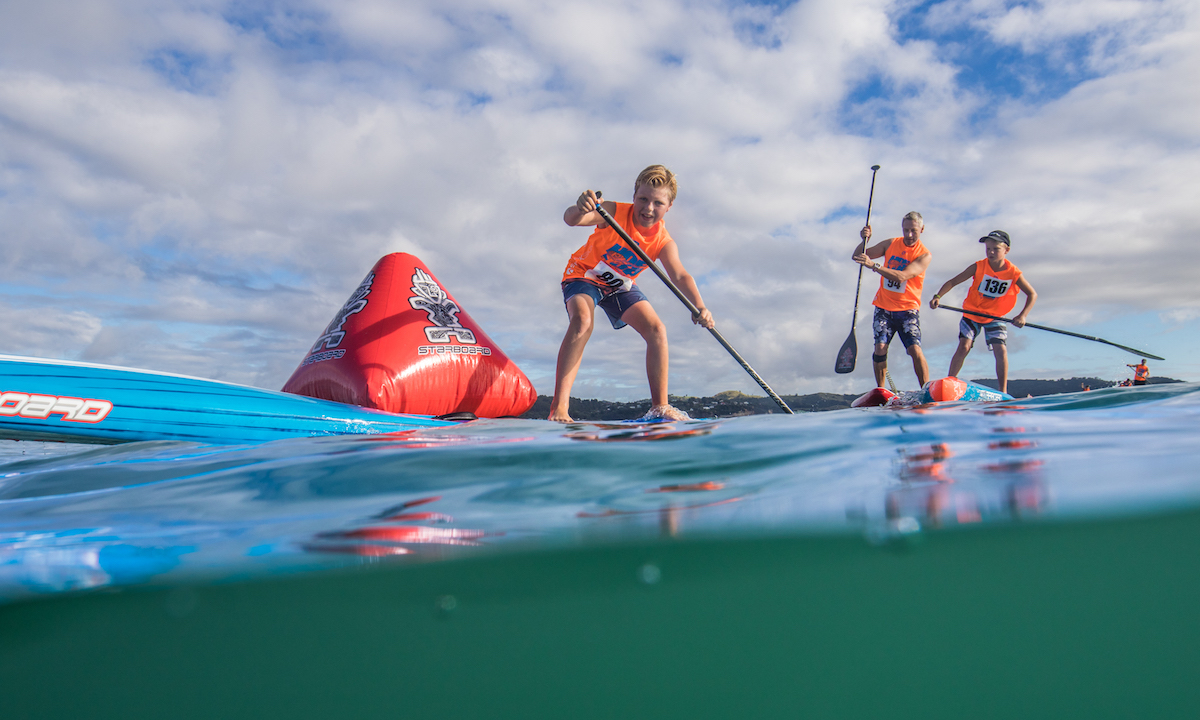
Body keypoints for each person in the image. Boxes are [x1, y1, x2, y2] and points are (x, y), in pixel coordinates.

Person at [548, 165, 714, 423]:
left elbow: (680, 276)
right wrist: (581, 207)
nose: (648, 208)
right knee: (582, 321)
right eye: (643, 199)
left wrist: (700, 306)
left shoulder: (663, 241)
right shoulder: (613, 212)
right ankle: (559, 409)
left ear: (669, 207)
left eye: (658, 203)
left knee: (657, 329)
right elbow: (572, 220)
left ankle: (660, 408)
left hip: (618, 285)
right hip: (584, 274)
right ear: (634, 195)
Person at [929, 230, 1037, 395]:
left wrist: (1022, 316)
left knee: (1000, 350)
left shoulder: (1013, 272)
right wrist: (938, 296)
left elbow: (1032, 294)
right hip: (971, 313)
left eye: (996, 249)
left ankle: (1003, 391)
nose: (991, 252)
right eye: (988, 249)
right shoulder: (979, 266)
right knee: (964, 346)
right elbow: (953, 281)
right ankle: (950, 383)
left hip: (995, 316)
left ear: (1006, 250)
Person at [854, 211, 932, 388]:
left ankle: (926, 388)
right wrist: (864, 240)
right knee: (880, 348)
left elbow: (902, 276)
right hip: (884, 307)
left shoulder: (924, 255)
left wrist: (874, 265)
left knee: (914, 349)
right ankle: (881, 390)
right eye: (906, 230)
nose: (909, 235)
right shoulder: (891, 243)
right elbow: (859, 256)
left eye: (913, 230)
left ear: (922, 229)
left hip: (908, 309)